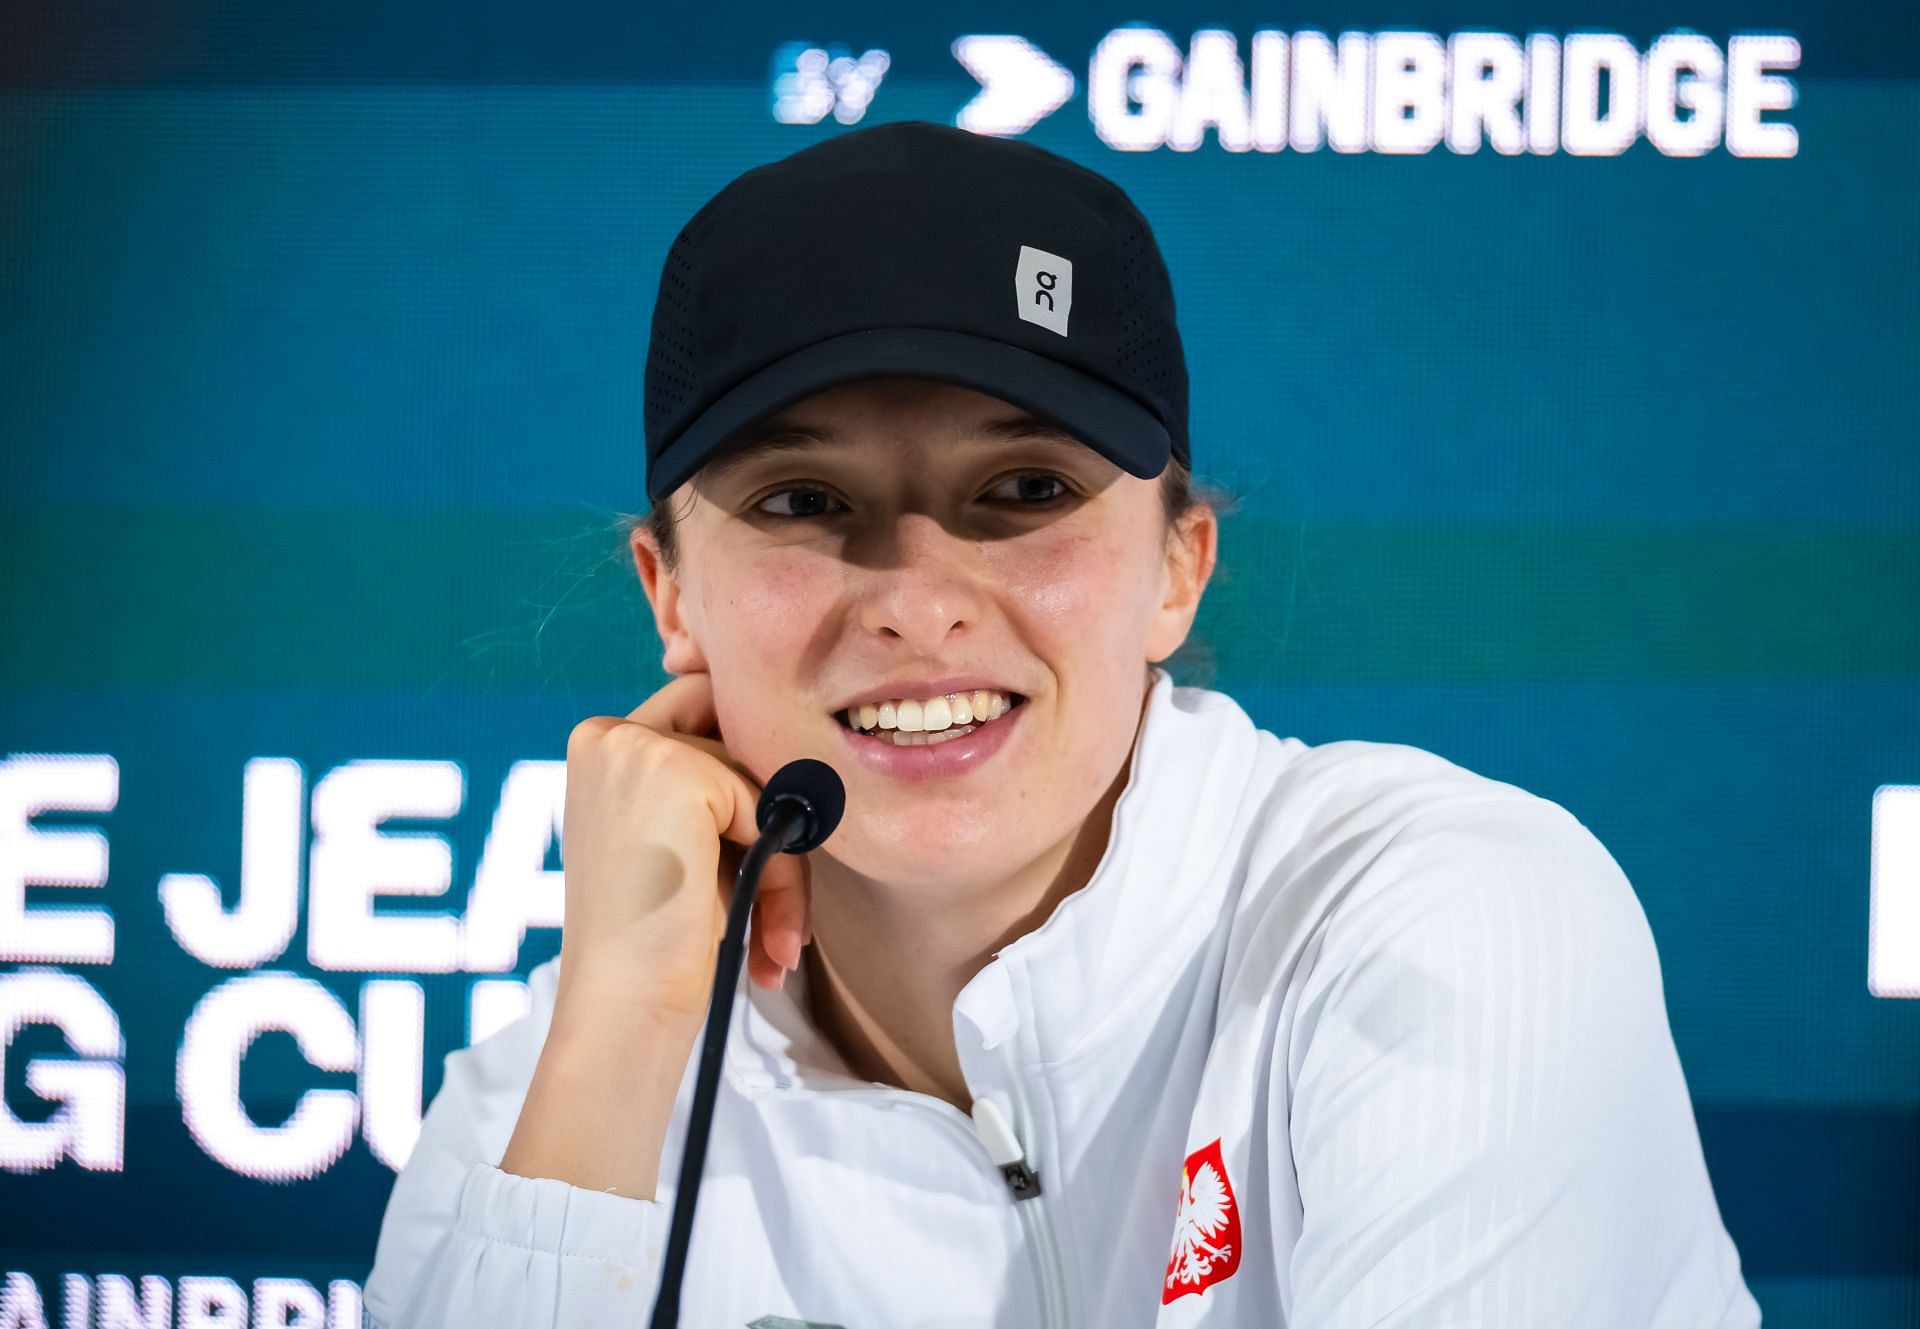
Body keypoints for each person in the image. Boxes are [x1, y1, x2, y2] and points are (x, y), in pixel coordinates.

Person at [362, 119, 1761, 1327]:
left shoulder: (1444, 919)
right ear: (671, 597)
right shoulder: (553, 1089)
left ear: (1178, 564)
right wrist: (616, 1030)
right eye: (803, 500)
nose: (915, 600)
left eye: (1022, 490)